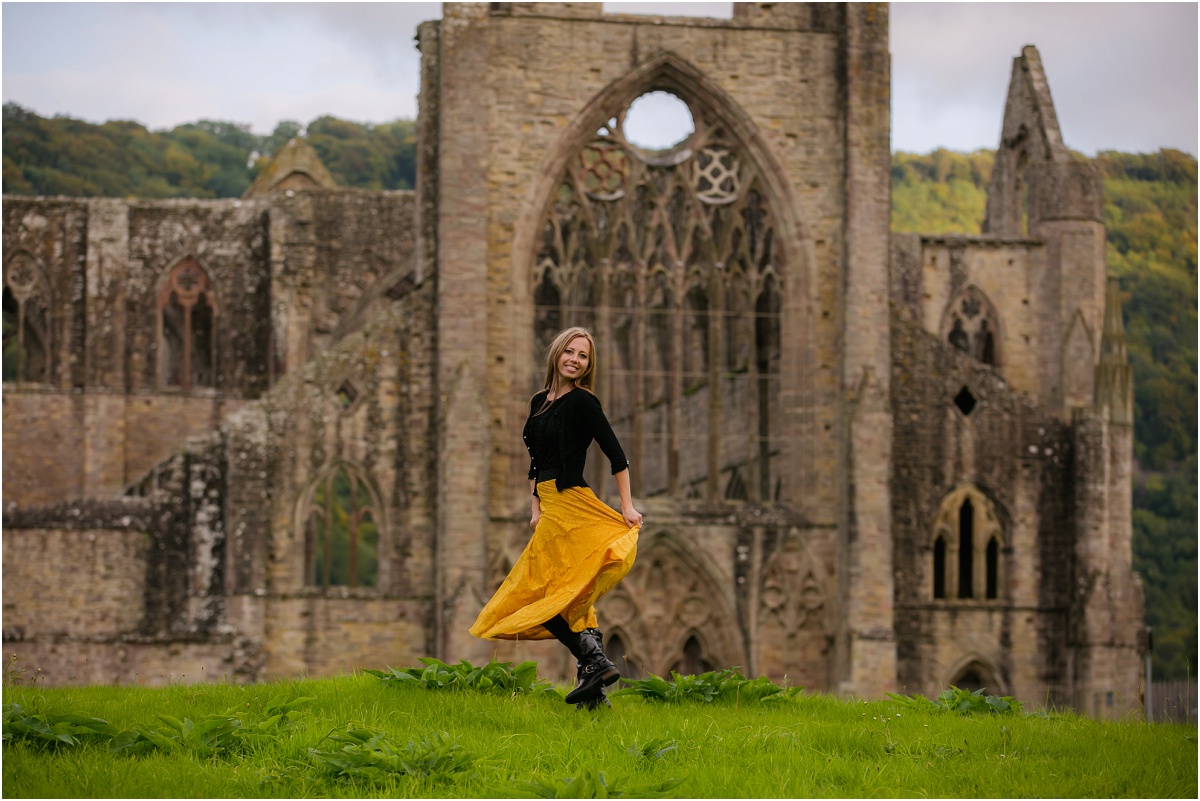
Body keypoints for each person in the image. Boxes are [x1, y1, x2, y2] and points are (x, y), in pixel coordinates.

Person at [470, 326, 642, 708]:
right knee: (566, 594)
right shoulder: (539, 402)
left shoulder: (584, 402)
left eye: (583, 356)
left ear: (587, 365)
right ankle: (594, 691)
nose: (575, 360)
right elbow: (535, 462)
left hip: (572, 503)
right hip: (550, 506)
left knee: (541, 592)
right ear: (556, 353)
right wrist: (535, 507)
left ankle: (593, 661)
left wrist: (626, 506)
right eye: (570, 352)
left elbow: (617, 456)